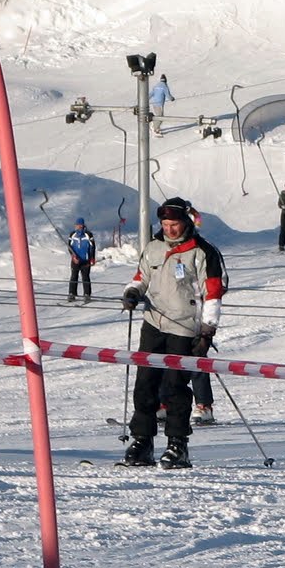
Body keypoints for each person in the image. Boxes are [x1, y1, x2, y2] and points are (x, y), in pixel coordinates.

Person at [120, 198, 225, 468]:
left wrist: (207, 331)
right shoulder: (153, 248)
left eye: (174, 224)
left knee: (174, 385)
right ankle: (142, 440)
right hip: (153, 323)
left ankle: (178, 445)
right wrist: (132, 292)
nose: (170, 229)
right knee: (145, 383)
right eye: (165, 224)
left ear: (186, 222)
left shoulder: (202, 252)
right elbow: (141, 277)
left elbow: (212, 292)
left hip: (184, 327)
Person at [183, 203, 229, 427]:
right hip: (171, 314)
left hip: (197, 313)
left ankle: (204, 405)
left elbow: (221, 282)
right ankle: (162, 404)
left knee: (196, 358)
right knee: (161, 357)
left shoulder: (206, 250)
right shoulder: (164, 249)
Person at [68, 217, 97, 302]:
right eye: (76, 225)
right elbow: (69, 247)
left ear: (82, 225)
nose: (77, 227)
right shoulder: (72, 234)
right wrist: (73, 256)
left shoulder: (88, 234)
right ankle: (72, 294)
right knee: (74, 276)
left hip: (85, 260)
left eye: (79, 225)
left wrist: (92, 258)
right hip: (75, 260)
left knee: (85, 277)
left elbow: (92, 247)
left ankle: (87, 294)